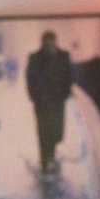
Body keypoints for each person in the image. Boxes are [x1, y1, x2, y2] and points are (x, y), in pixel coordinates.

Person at [23, 30, 72, 169]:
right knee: (43, 132)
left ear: (56, 42)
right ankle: (45, 161)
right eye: (46, 42)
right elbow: (29, 78)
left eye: (52, 42)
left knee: (57, 133)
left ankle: (51, 154)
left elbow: (69, 76)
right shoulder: (34, 57)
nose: (49, 45)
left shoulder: (64, 56)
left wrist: (66, 93)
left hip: (58, 101)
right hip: (41, 102)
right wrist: (34, 97)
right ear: (43, 42)